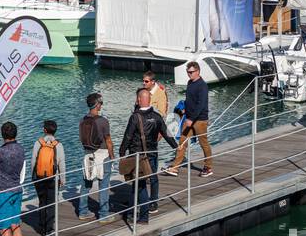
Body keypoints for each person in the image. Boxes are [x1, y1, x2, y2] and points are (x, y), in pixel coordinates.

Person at [118, 88, 174, 224]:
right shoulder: (157, 116)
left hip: (138, 156)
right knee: (147, 181)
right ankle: (136, 210)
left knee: (139, 185)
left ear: (139, 100)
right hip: (153, 154)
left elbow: (128, 136)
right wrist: (176, 146)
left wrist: (121, 152)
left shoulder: (135, 117)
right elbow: (166, 133)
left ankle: (142, 216)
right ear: (149, 99)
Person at [166, 61, 214, 177]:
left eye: (191, 72)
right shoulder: (190, 83)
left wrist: (191, 118)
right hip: (189, 118)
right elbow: (189, 100)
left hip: (200, 120)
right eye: (188, 72)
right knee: (182, 141)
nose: (189, 74)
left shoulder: (202, 85)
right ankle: (175, 167)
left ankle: (208, 167)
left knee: (204, 143)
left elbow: (201, 104)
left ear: (197, 71)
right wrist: (184, 111)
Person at [79, 92, 115, 222]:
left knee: (86, 183)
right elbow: (108, 141)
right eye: (101, 103)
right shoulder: (103, 121)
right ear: (97, 105)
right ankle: (104, 214)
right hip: (103, 154)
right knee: (103, 184)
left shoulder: (82, 120)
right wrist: (112, 156)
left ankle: (83, 211)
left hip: (87, 154)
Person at [29, 120, 66, 235]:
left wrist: (33, 177)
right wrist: (62, 179)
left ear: (44, 130)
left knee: (42, 202)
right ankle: (49, 231)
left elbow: (33, 161)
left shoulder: (38, 143)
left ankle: (42, 227)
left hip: (39, 177)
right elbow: (61, 163)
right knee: (51, 203)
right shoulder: (58, 145)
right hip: (53, 178)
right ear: (55, 130)